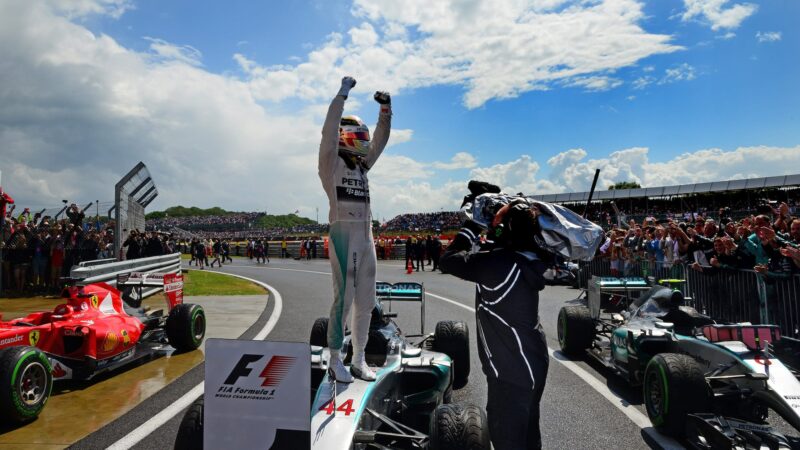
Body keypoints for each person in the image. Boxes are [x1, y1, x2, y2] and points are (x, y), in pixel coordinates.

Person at [441, 197, 549, 450]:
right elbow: (499, 244)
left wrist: (472, 225)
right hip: (534, 361)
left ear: (508, 230)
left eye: (499, 224)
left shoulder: (496, 264)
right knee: (530, 434)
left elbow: (448, 260)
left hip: (509, 370)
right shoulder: (531, 258)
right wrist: (501, 222)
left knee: (507, 440)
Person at [319, 76, 391, 382]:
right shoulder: (330, 164)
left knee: (366, 303)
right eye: (358, 135)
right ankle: (334, 359)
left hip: (367, 236)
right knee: (344, 300)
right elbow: (327, 133)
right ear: (346, 136)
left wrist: (386, 110)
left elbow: (381, 140)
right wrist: (342, 94)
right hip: (343, 235)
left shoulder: (363, 166)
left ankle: (358, 359)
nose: (364, 141)